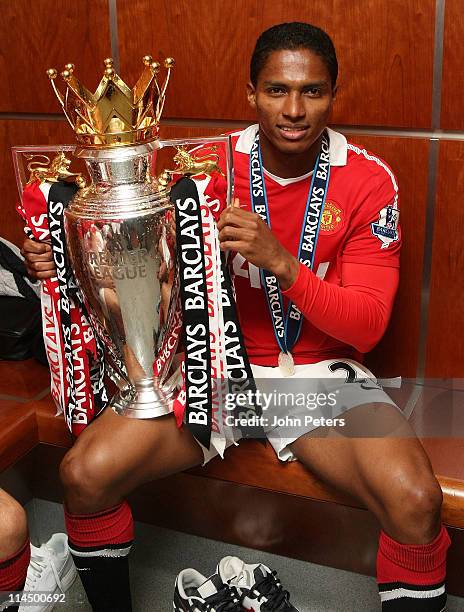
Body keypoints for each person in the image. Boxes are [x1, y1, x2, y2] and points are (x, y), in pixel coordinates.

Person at [21, 22, 450, 612]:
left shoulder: (368, 180)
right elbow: (140, 279)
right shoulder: (202, 170)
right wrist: (62, 260)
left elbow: (369, 325)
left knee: (416, 501)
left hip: (313, 380)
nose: (294, 109)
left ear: (333, 94)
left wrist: (283, 264)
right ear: (251, 92)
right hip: (212, 369)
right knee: (83, 474)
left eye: (313, 91)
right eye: (276, 90)